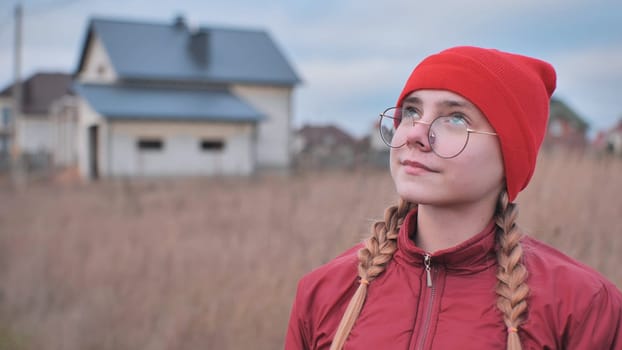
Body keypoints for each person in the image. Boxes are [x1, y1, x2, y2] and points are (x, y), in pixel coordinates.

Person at [284, 46, 622, 350]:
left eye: (455, 118)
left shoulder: (583, 307)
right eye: (412, 112)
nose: (416, 133)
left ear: (510, 156)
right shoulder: (324, 293)